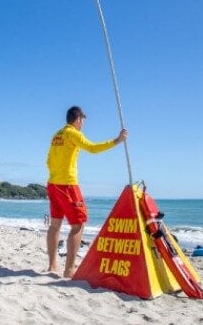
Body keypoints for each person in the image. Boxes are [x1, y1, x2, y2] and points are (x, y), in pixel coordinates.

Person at [46, 106, 127, 278]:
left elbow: (49, 159)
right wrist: (117, 141)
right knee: (79, 224)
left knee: (55, 225)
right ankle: (69, 270)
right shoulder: (73, 133)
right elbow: (92, 148)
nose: (82, 124)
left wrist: (56, 174)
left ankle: (52, 266)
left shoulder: (57, 135)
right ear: (78, 120)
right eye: (82, 120)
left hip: (53, 184)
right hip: (67, 185)